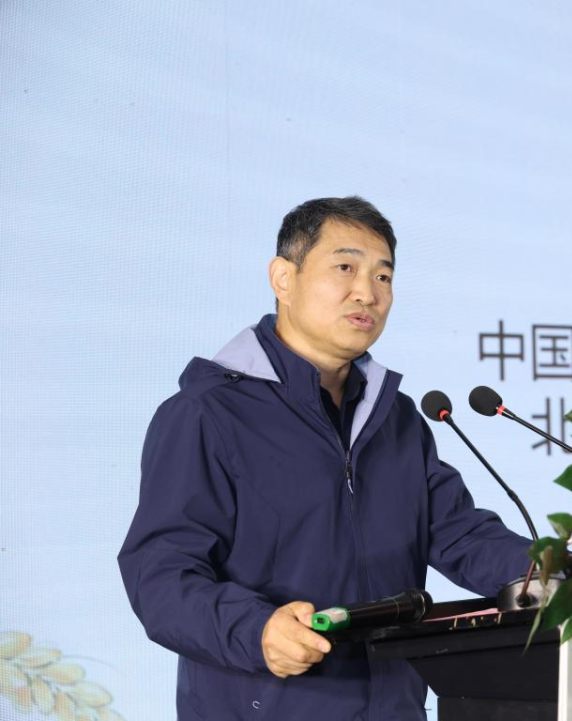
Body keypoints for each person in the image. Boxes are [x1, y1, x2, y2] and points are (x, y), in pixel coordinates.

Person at [118, 196, 533, 720]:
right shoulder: (208, 414)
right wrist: (257, 631)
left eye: (383, 276)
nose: (367, 293)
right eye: (345, 268)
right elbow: (160, 576)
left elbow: (458, 533)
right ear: (283, 278)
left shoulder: (396, 418)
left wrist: (561, 571)